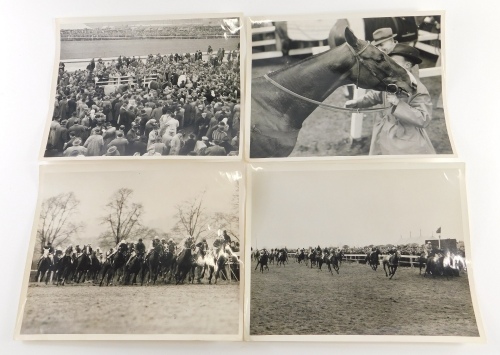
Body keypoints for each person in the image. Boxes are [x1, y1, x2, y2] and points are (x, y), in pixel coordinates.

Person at [345, 44, 435, 155]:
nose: (390, 67)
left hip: (406, 140)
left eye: (395, 63)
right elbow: (376, 95)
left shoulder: (418, 89)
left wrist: (398, 104)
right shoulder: (390, 81)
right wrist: (358, 102)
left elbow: (423, 118)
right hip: (384, 133)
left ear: (407, 65)